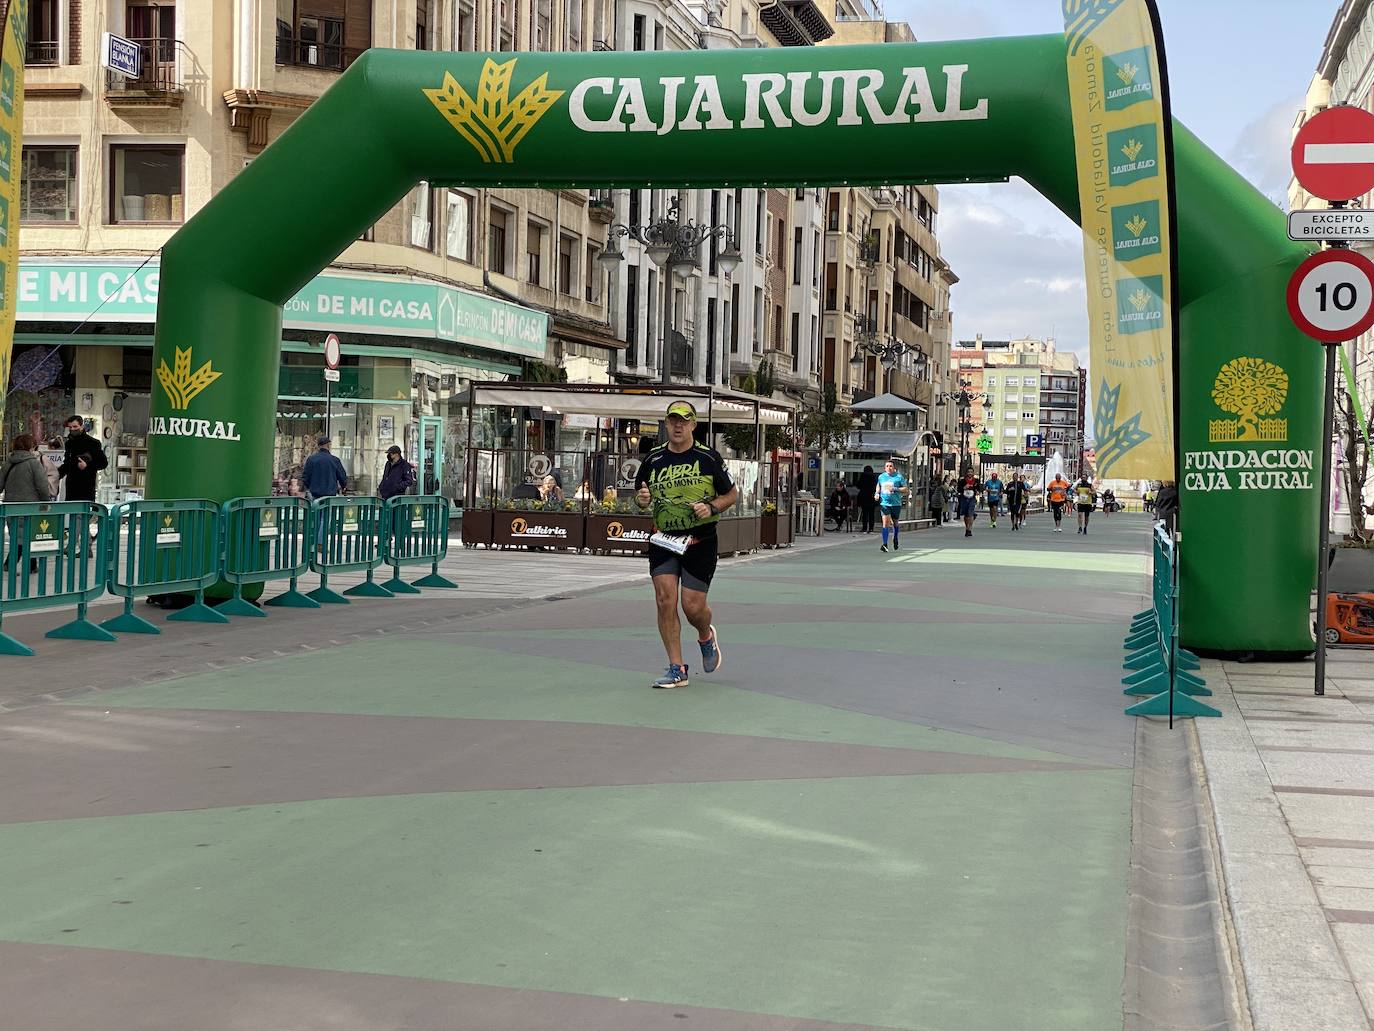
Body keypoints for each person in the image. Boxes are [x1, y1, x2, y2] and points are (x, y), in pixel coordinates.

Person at [635, 400, 739, 690]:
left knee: (692, 607)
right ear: (666, 424)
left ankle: (705, 635)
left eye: (684, 420)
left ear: (694, 425)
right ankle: (676, 668)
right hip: (664, 540)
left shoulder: (708, 457)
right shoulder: (653, 460)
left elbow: (732, 495)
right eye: (673, 420)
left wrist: (712, 506)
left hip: (700, 541)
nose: (678, 426)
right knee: (664, 599)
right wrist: (641, 501)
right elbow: (641, 496)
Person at [1, 435, 52, 573]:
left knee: (19, 536)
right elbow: (42, 486)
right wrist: (46, 503)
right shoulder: (34, 463)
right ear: (31, 447)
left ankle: (31, 566)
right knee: (27, 537)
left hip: (11, 507)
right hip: (30, 506)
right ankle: (10, 564)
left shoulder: (8, 463)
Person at [57, 415, 107, 502]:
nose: (72, 429)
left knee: (84, 513)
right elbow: (67, 464)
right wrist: (55, 474)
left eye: (75, 426)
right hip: (71, 487)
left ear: (82, 426)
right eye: (70, 427)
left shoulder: (93, 443)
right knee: (72, 512)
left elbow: (103, 463)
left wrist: (87, 465)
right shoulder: (69, 444)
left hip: (86, 487)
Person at [875, 459, 909, 553]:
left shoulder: (898, 477)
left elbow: (906, 490)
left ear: (894, 468)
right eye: (887, 466)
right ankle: (885, 544)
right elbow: (879, 486)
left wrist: (895, 488)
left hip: (896, 503)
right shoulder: (881, 477)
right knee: (885, 523)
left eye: (891, 466)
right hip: (884, 503)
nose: (889, 468)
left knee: (895, 523)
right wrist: (877, 493)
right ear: (884, 468)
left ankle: (895, 538)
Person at [956, 469, 981, 538]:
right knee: (966, 514)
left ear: (973, 473)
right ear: (966, 473)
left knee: (970, 512)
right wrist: (964, 487)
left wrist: (977, 492)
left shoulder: (976, 481)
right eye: (968, 472)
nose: (970, 473)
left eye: (971, 472)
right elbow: (959, 489)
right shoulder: (962, 480)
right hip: (964, 498)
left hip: (972, 498)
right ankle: (967, 527)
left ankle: (969, 529)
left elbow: (978, 488)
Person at [855, 464, 879, 533]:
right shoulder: (874, 476)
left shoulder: (863, 476)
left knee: (865, 514)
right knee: (871, 514)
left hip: (864, 498)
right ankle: (871, 528)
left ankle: (864, 528)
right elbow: (876, 487)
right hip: (872, 497)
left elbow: (858, 485)